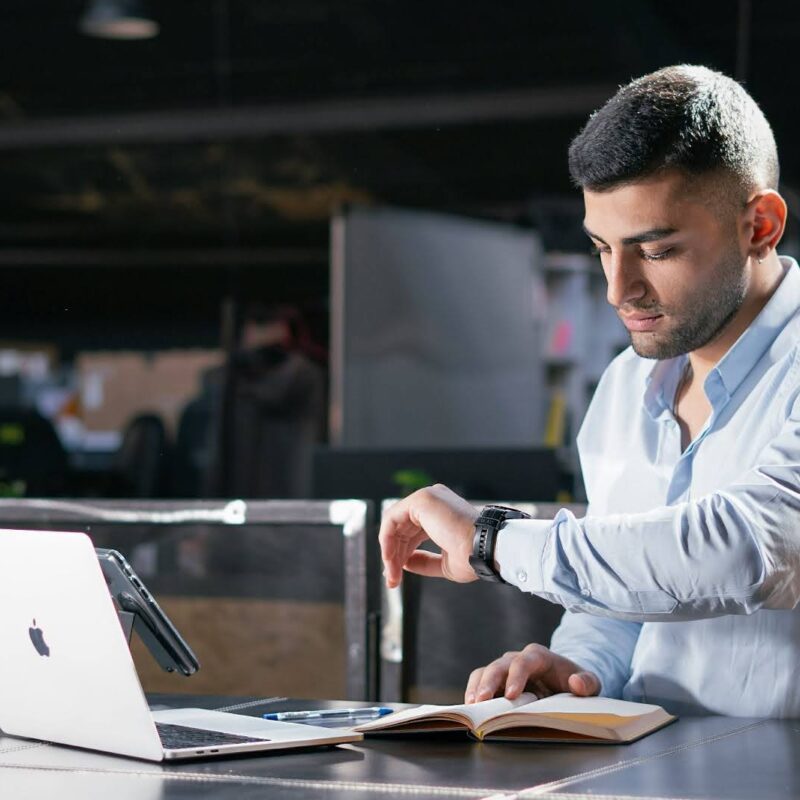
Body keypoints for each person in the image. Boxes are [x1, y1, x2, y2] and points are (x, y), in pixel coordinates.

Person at [378, 65, 800, 717]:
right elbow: (625, 599)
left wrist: (491, 540)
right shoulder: (625, 386)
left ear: (760, 226)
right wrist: (584, 668)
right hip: (652, 763)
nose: (617, 290)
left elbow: (749, 548)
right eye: (603, 248)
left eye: (655, 251)